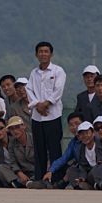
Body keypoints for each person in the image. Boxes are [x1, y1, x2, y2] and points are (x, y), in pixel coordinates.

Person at [27, 41, 66, 180]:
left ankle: (56, 179)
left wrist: (47, 103)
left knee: (54, 149)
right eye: (40, 51)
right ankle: (39, 178)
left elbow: (58, 90)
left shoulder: (58, 71)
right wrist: (38, 105)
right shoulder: (34, 73)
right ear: (36, 54)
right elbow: (29, 90)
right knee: (39, 149)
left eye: (46, 51)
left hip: (53, 115)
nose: (43, 54)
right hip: (37, 117)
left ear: (51, 54)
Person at [0, 117, 36, 188]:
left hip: (27, 169)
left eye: (0, 128)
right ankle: (18, 183)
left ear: (6, 129)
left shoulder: (15, 139)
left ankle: (28, 182)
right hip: (12, 173)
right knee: (0, 168)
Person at [42, 113, 85, 188]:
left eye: (77, 124)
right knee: (64, 167)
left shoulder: (92, 139)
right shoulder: (73, 142)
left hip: (92, 169)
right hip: (81, 170)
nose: (74, 127)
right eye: (71, 125)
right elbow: (64, 158)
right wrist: (50, 171)